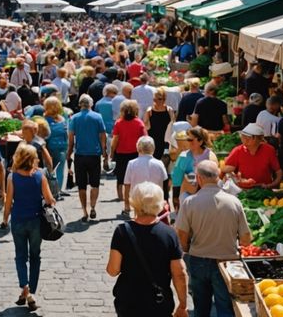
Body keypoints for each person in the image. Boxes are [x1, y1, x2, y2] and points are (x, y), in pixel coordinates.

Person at [175, 161, 252, 317]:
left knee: (201, 307)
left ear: (199, 178)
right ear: (218, 178)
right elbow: (246, 239)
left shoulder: (190, 203)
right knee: (225, 307)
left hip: (198, 259)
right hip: (226, 262)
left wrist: (187, 251)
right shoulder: (234, 202)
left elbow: (181, 236)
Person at [106, 182, 189, 317]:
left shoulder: (122, 232)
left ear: (134, 202)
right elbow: (179, 273)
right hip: (159, 301)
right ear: (160, 203)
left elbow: (113, 270)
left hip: (129, 302)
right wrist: (183, 304)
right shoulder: (169, 234)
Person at [0, 145, 57, 310]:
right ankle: (31, 291)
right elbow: (49, 200)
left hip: (18, 220)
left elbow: (8, 201)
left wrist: (5, 219)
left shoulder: (12, 177)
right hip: (36, 221)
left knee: (20, 256)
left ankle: (24, 287)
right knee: (35, 256)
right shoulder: (40, 176)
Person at [67, 95, 108, 221]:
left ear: (80, 104)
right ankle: (93, 207)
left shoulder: (74, 118)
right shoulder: (97, 117)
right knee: (95, 184)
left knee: (82, 185)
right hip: (94, 154)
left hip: (80, 155)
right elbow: (103, 136)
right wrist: (104, 152)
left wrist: (68, 154)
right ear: (91, 104)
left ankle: (84, 211)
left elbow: (71, 139)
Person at [110, 100, 146, 217]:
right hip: (136, 154)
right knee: (136, 180)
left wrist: (111, 152)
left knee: (124, 181)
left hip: (121, 155)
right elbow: (145, 140)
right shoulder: (139, 123)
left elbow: (115, 140)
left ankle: (126, 205)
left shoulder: (119, 123)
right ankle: (138, 204)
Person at [170, 127, 218, 213]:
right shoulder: (183, 156)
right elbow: (177, 179)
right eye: (187, 139)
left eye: (190, 140)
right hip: (188, 195)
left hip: (207, 195)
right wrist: (175, 198)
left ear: (200, 141)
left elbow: (214, 179)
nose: (187, 141)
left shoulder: (210, 156)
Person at [221, 124, 283, 188]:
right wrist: (236, 179)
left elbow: (278, 171)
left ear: (258, 138)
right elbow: (225, 170)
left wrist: (272, 185)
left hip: (264, 190)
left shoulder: (269, 150)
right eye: (243, 136)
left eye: (248, 137)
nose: (244, 139)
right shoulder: (237, 150)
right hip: (243, 191)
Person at [124, 136, 170, 212]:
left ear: (138, 149)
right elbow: (165, 184)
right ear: (153, 149)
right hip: (155, 199)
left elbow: (127, 185)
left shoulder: (131, 164)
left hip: (138, 201)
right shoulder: (159, 164)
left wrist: (126, 204)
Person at [42, 97, 70, 187]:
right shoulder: (63, 119)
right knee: (60, 170)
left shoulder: (44, 119)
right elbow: (67, 133)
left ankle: (49, 191)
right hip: (62, 146)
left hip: (48, 147)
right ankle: (58, 190)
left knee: (48, 170)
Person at [144, 87, 175, 163]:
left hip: (165, 139)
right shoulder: (149, 110)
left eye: (160, 99)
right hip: (153, 139)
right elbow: (145, 125)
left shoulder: (169, 110)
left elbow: (173, 124)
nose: (156, 101)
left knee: (164, 160)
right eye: (155, 98)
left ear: (164, 99)